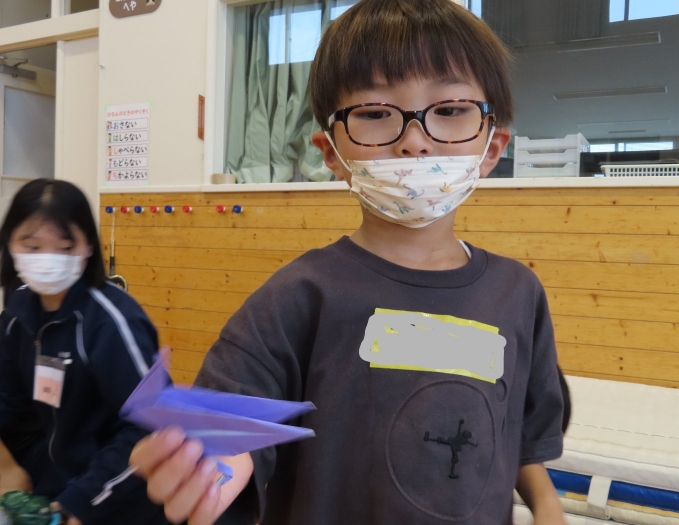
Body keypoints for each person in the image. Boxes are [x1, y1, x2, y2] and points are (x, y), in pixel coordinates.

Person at [131, 1, 566, 524]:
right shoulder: (297, 297)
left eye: (451, 110)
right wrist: (210, 462)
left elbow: (521, 432)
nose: (415, 142)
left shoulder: (517, 293)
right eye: (376, 114)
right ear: (330, 153)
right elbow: (229, 425)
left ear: (492, 147)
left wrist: (547, 505)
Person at [0, 179, 167, 525]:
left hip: (118, 498)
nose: (47, 261)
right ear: (10, 244)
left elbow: (149, 427)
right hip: (53, 486)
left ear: (88, 246)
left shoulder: (113, 322)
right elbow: (9, 403)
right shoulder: (18, 313)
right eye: (31, 247)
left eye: (64, 248)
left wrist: (79, 504)